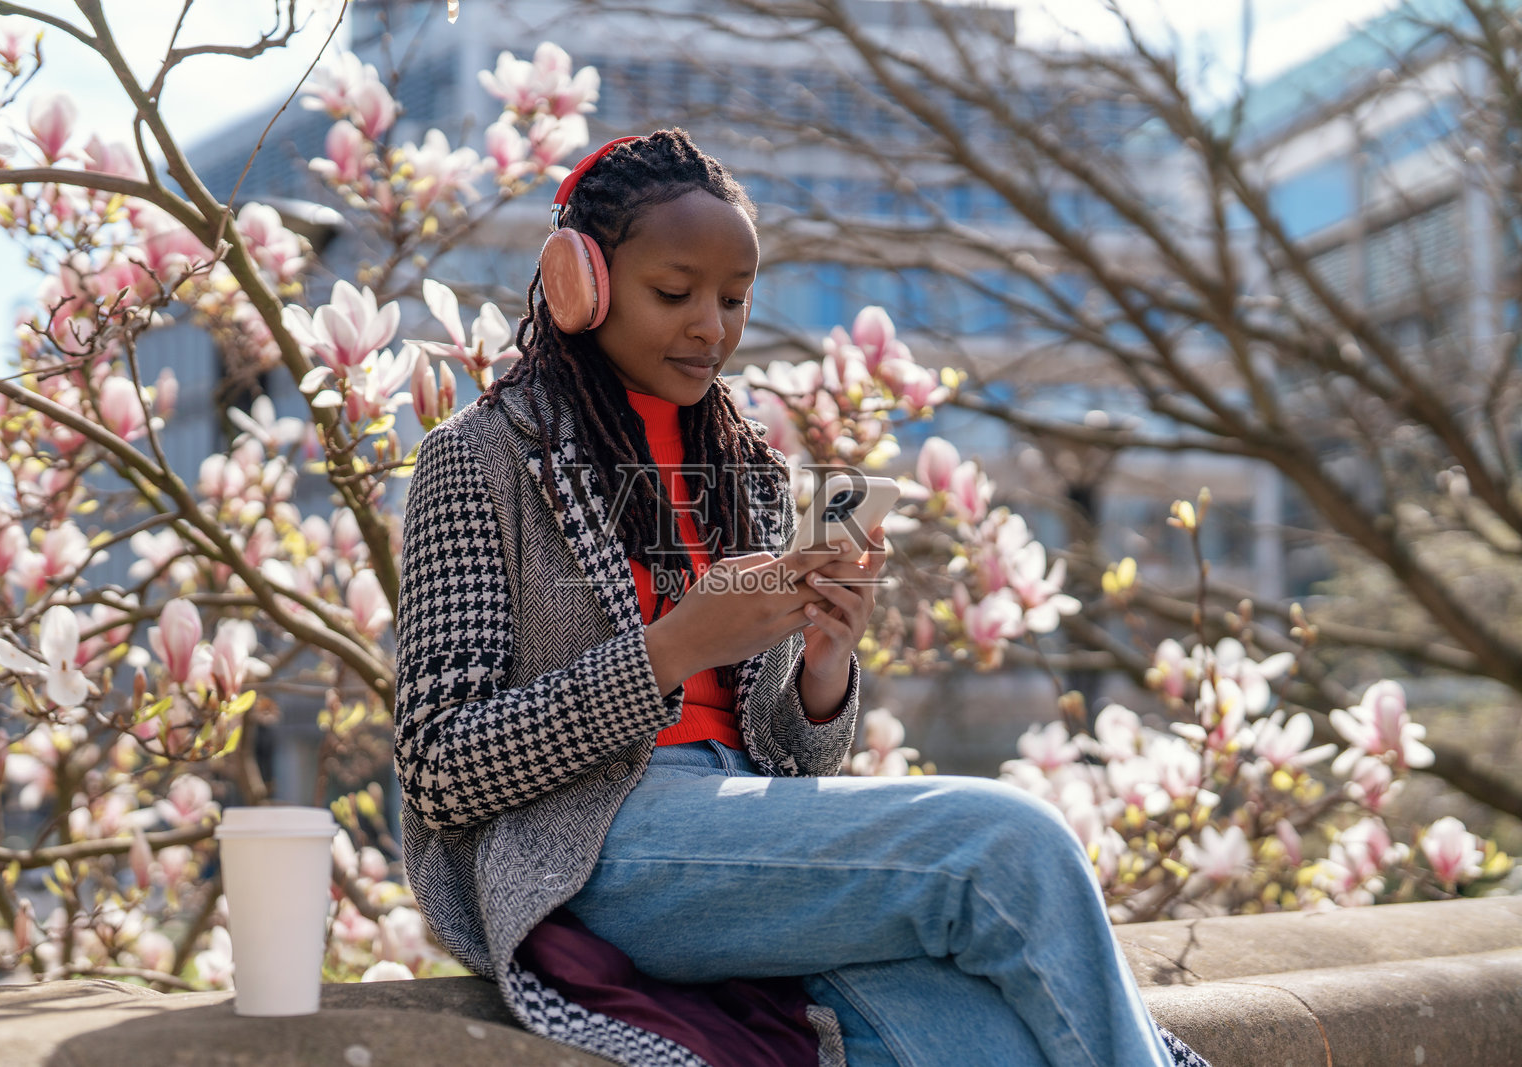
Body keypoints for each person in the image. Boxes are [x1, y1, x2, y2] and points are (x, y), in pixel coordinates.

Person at [393, 128, 1209, 1067]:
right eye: (675, 293)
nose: (712, 326)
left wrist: (824, 669)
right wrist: (672, 647)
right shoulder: (480, 456)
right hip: (589, 847)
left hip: (739, 841)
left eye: (734, 299)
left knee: (986, 1039)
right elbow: (441, 765)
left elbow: (785, 757)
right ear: (581, 279)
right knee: (1012, 842)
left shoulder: (751, 475)